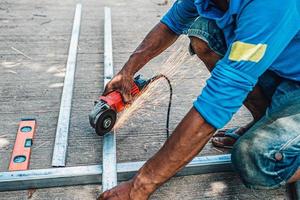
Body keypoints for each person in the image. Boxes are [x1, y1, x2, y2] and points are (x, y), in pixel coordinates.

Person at [98, 0, 300, 199]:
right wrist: (128, 71)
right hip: (285, 68)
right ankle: (262, 120)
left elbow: (218, 99)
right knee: (205, 32)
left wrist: (139, 185)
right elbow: (171, 24)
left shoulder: (272, 4)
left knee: (257, 158)